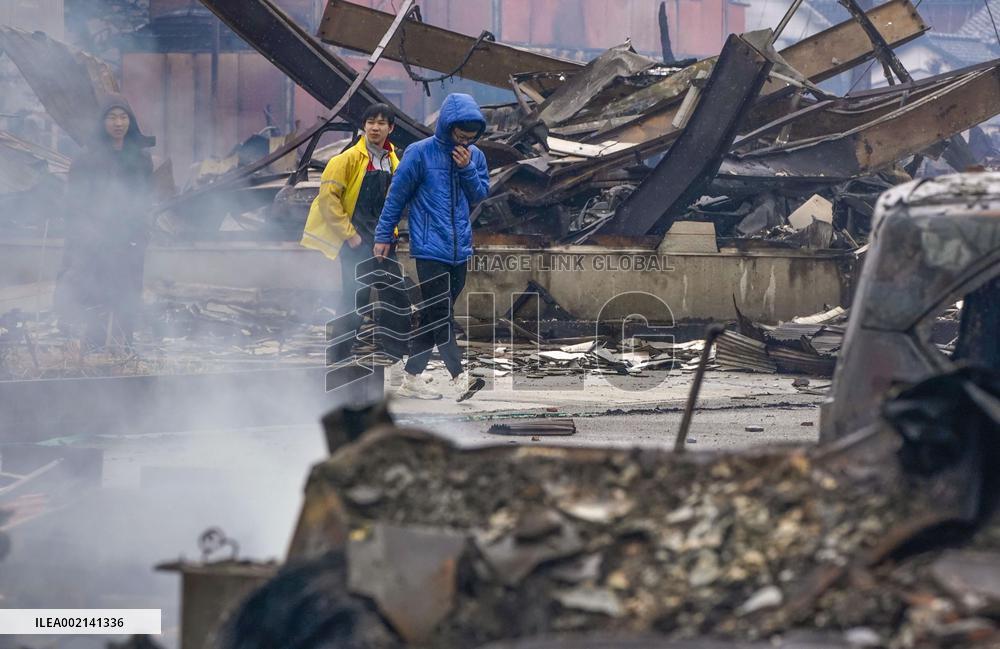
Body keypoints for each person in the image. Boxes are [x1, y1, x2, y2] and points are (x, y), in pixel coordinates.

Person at [373, 93, 490, 402]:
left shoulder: (474, 156)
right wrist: (384, 235)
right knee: (441, 314)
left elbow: (479, 194)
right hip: (429, 248)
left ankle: (411, 377)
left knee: (433, 314)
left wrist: (467, 168)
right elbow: (396, 197)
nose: (463, 142)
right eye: (459, 135)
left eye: (470, 137)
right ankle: (459, 377)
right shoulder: (419, 153)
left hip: (460, 249)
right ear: (447, 126)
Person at [300, 103, 412, 372]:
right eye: (371, 121)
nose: (375, 127)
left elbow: (394, 204)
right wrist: (350, 237)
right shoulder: (345, 160)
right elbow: (328, 201)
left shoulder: (394, 162)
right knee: (355, 299)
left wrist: (391, 235)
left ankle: (395, 358)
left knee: (396, 298)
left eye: (382, 123)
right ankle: (338, 358)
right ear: (363, 126)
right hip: (356, 243)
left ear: (391, 128)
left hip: (384, 241)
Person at [55, 94, 154, 351]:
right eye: (112, 117)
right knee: (95, 292)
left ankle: (123, 345)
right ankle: (94, 348)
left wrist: (141, 230)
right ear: (103, 123)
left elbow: (144, 199)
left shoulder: (141, 159)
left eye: (123, 117)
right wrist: (88, 232)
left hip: (129, 240)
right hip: (94, 239)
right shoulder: (87, 159)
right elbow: (74, 203)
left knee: (127, 291)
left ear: (130, 122)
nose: (118, 123)